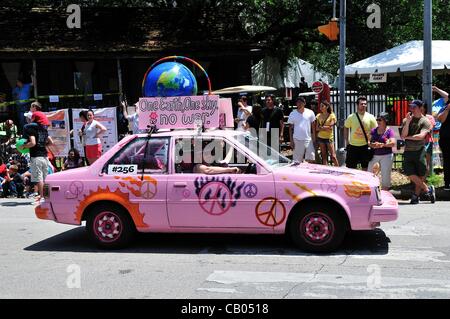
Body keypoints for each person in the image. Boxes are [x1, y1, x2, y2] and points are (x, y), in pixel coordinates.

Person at [401, 100, 435, 204]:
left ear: (420, 108)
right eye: (411, 106)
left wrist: (407, 137)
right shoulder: (406, 120)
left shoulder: (425, 121)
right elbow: (403, 134)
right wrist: (407, 122)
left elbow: (421, 136)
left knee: (420, 174)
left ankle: (415, 196)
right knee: (409, 173)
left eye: (414, 107)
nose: (411, 108)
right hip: (408, 151)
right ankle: (428, 190)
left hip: (419, 151)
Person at [19, 113, 54, 201]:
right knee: (45, 177)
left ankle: (42, 197)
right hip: (44, 156)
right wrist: (42, 144)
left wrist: (24, 146)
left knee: (39, 178)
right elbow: (51, 142)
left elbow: (33, 143)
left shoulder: (31, 129)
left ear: (34, 119)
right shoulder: (44, 130)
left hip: (36, 156)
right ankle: (46, 196)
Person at [344, 96, 377, 170]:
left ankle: (364, 181)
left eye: (365, 104)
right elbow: (346, 127)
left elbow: (375, 131)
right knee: (351, 168)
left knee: (365, 167)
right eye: (362, 104)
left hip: (365, 146)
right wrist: (347, 141)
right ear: (357, 105)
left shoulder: (371, 117)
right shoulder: (351, 117)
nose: (364, 105)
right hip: (353, 145)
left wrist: (371, 141)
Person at [367, 112, 396, 191]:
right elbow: (368, 142)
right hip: (374, 155)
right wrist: (372, 145)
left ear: (385, 121)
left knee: (385, 175)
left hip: (386, 155)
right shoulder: (373, 130)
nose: (378, 121)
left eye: (380, 120)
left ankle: (384, 193)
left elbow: (393, 143)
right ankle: (371, 191)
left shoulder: (389, 131)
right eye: (377, 119)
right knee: (370, 173)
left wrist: (383, 145)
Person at [288, 96, 316, 163]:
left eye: (301, 102)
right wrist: (291, 140)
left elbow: (313, 126)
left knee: (311, 159)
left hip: (308, 139)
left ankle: (308, 173)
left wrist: (314, 138)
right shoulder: (292, 113)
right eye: (298, 102)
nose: (299, 104)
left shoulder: (310, 112)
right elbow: (290, 128)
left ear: (304, 103)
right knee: (297, 161)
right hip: (297, 139)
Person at [433, 86, 450, 191]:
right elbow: (440, 119)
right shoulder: (446, 106)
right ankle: (447, 183)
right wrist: (448, 109)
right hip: (446, 138)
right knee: (447, 160)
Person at [316, 101, 339, 166]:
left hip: (329, 138)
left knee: (333, 156)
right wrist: (325, 127)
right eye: (320, 106)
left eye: (322, 106)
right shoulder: (318, 116)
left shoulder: (332, 115)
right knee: (324, 156)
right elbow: (317, 128)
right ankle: (325, 170)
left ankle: (338, 169)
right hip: (321, 138)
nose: (321, 108)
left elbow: (330, 127)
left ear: (327, 107)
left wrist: (321, 127)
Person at [420, 102, 436, 177]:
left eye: (421, 108)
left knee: (426, 162)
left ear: (425, 108)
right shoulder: (414, 117)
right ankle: (418, 181)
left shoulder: (430, 117)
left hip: (427, 142)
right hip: (416, 143)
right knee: (418, 162)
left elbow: (430, 128)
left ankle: (424, 181)